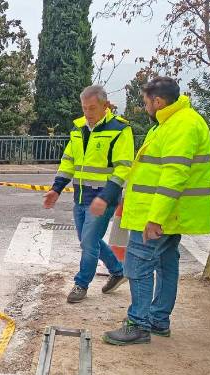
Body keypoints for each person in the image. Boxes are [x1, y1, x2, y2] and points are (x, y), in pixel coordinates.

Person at [103, 77, 210, 345]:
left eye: (145, 103)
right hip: (166, 213)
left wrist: (155, 218)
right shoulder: (172, 122)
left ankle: (139, 324)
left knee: (138, 265)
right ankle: (158, 320)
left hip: (157, 215)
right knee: (165, 264)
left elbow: (174, 175)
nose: (145, 108)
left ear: (158, 101)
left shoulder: (181, 125)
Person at [43, 85, 135, 303]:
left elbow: (123, 168)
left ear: (105, 106)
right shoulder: (78, 129)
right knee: (87, 241)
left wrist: (105, 197)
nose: (87, 113)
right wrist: (56, 189)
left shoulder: (119, 129)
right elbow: (68, 162)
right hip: (81, 197)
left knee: (89, 242)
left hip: (103, 198)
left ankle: (81, 283)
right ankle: (118, 271)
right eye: (84, 108)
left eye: (92, 108)